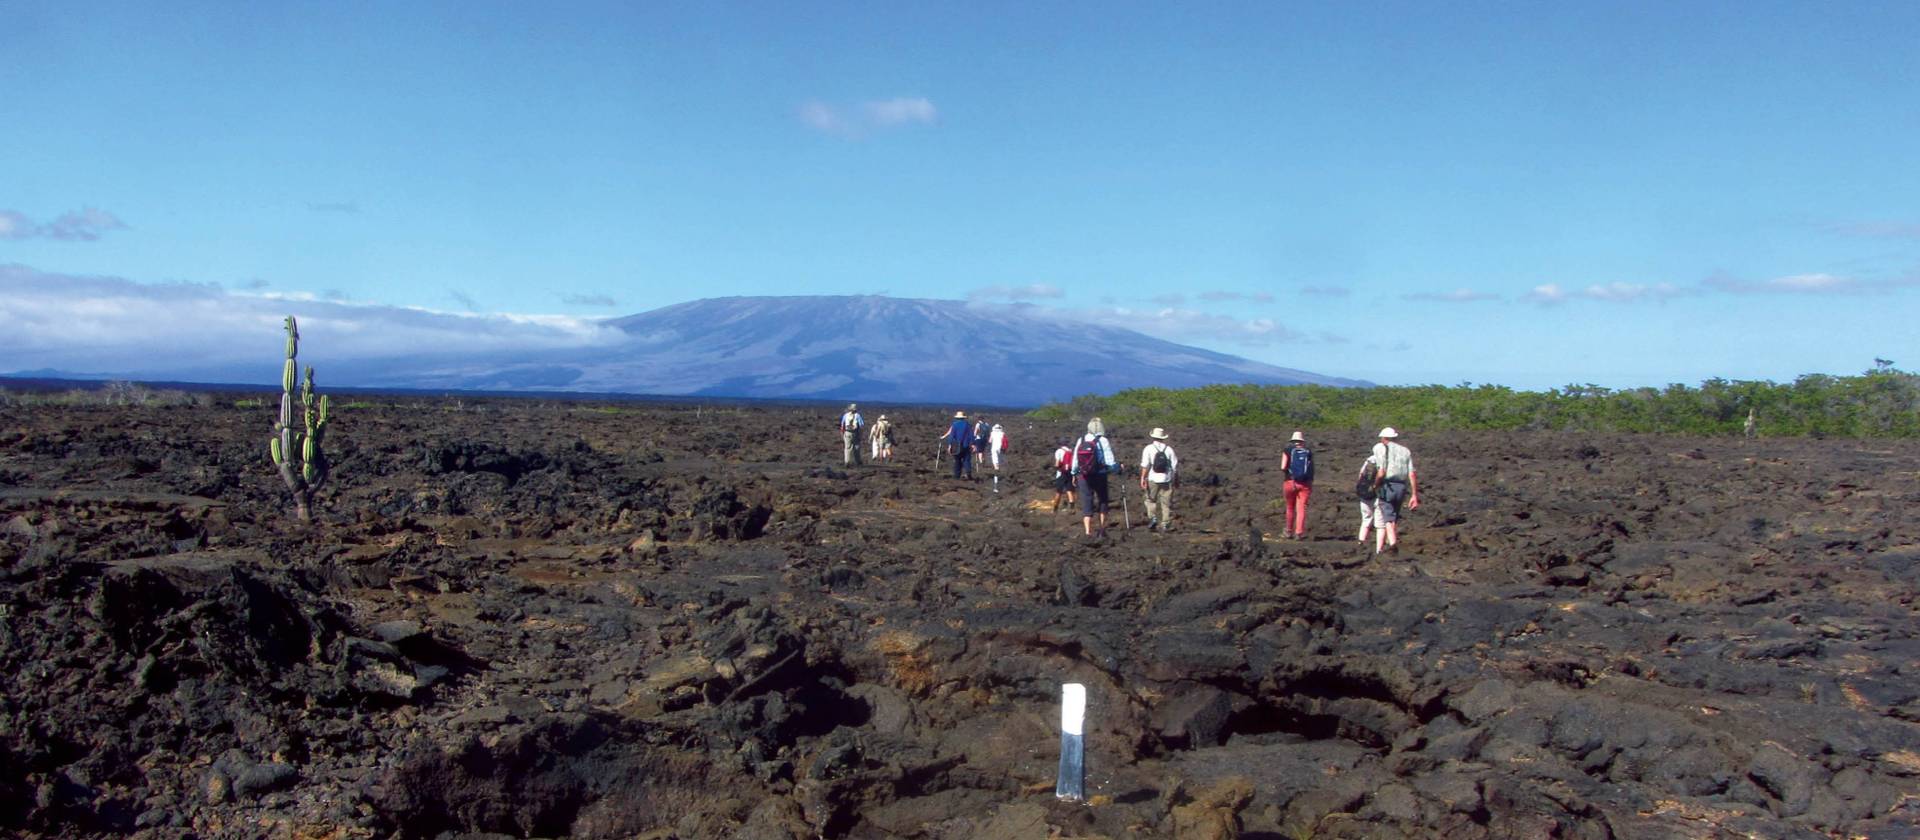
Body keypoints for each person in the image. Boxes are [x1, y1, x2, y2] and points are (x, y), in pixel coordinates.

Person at [1367, 427, 1419, 554]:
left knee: (1387, 516)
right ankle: (1389, 543)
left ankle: (1393, 544)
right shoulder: (1406, 451)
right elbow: (1411, 474)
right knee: (1394, 515)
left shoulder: (1380, 448)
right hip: (1401, 486)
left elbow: (1381, 471)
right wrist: (1414, 495)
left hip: (1388, 485)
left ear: (1383, 438)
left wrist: (1375, 486)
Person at [1071, 417, 1120, 538]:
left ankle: (1087, 532)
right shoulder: (1103, 440)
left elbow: (1075, 461)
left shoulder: (1081, 440)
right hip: (1100, 474)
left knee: (1087, 501)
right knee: (1103, 500)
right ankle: (1102, 529)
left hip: (1083, 476)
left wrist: (1073, 474)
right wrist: (1117, 468)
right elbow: (1110, 461)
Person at [1138, 427, 1178, 532]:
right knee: (1166, 503)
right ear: (1163, 438)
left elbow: (1145, 466)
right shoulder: (1169, 450)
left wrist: (1143, 478)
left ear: (1153, 437)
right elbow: (1174, 468)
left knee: (1150, 499)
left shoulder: (1148, 448)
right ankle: (1165, 524)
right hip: (1167, 479)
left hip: (1152, 478)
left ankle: (1153, 518)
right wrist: (1176, 480)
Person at [1280, 430, 1313, 539]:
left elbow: (1283, 467)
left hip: (1289, 482)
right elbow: (1311, 469)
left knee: (1290, 507)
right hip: (1304, 484)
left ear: (1293, 441)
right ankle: (1299, 532)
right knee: (1301, 508)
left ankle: (1288, 531)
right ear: (1302, 441)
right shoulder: (1308, 452)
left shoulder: (1287, 450)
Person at [942, 411, 975, 479]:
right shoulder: (967, 425)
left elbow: (952, 436)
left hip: (956, 445)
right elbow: (971, 435)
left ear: (957, 418)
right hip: (966, 445)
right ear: (963, 418)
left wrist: (950, 445)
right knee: (966, 459)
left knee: (957, 460)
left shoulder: (955, 425)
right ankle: (968, 472)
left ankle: (957, 475)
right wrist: (972, 444)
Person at [1050, 437, 1077, 513]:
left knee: (1059, 491)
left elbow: (1057, 464)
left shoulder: (1059, 451)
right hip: (1070, 473)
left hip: (1061, 473)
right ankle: (1072, 508)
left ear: (1060, 444)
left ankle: (1055, 509)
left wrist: (1056, 467)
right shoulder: (1070, 451)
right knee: (1069, 490)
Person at [987, 423, 1008, 492]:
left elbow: (989, 441)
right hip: (1000, 449)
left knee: (995, 465)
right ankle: (998, 473)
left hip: (994, 449)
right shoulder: (1002, 433)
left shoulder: (992, 433)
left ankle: (996, 484)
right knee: (1000, 462)